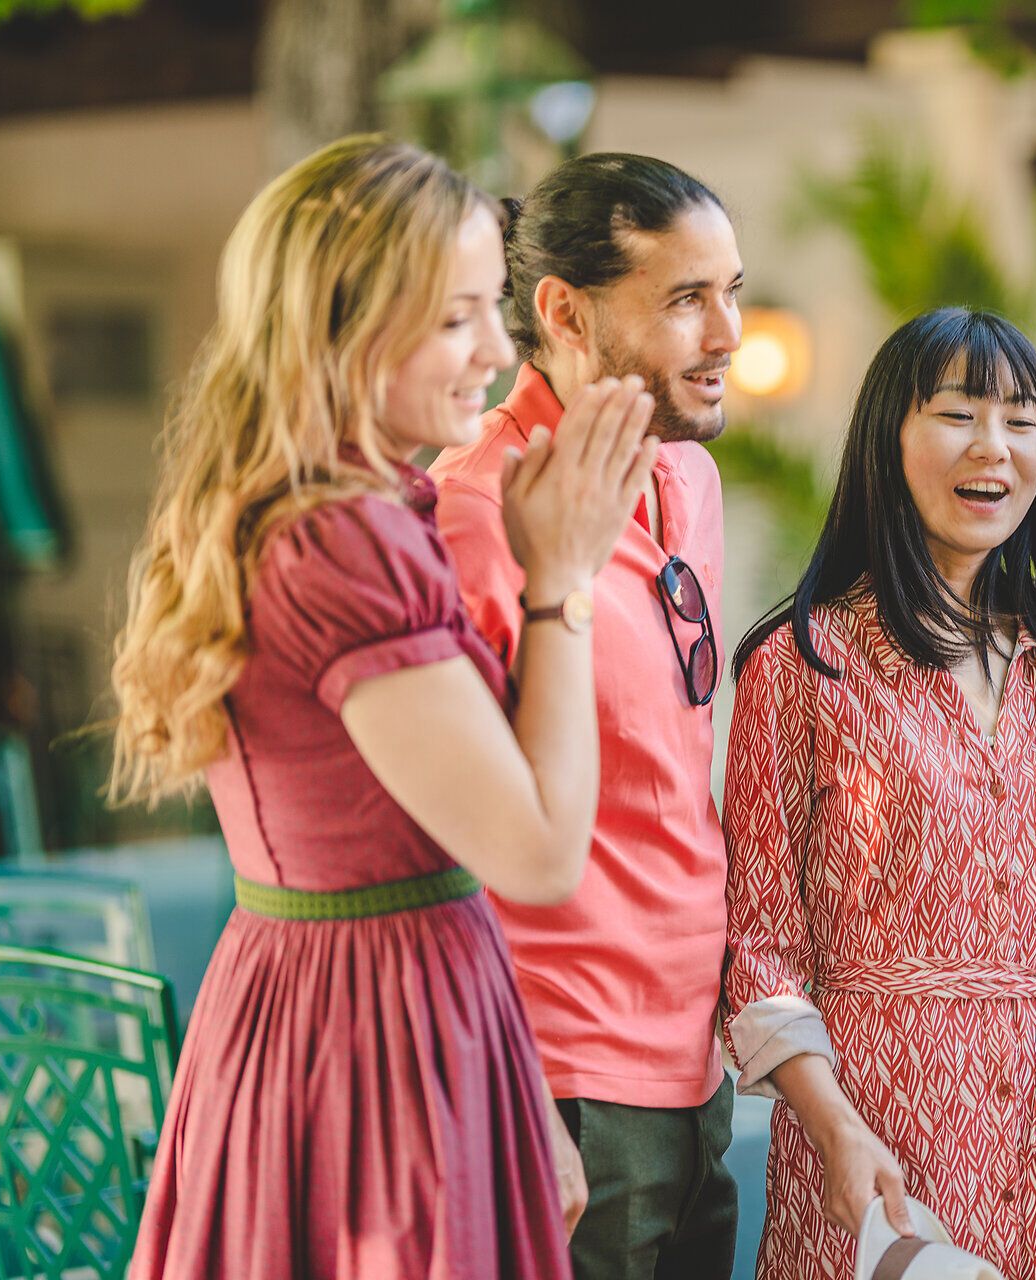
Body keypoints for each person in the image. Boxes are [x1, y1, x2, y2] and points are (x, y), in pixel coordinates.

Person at [110, 134, 658, 1278]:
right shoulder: (345, 537)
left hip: (308, 1000)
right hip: (381, 1034)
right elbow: (539, 850)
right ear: (347, 328)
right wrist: (560, 580)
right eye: (458, 318)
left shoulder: (293, 506)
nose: (498, 349)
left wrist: (521, 1079)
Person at [721, 307, 1036, 1279]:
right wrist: (837, 1132)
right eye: (958, 412)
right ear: (887, 437)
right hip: (884, 1136)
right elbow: (757, 948)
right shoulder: (804, 664)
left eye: (1023, 419)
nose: (995, 446)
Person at [429, 153, 743, 1278]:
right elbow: (447, 833)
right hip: (562, 1078)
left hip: (699, 1069)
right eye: (685, 300)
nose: (730, 333)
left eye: (733, 290)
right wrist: (510, 1087)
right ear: (563, 312)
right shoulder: (473, 511)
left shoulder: (690, 484)